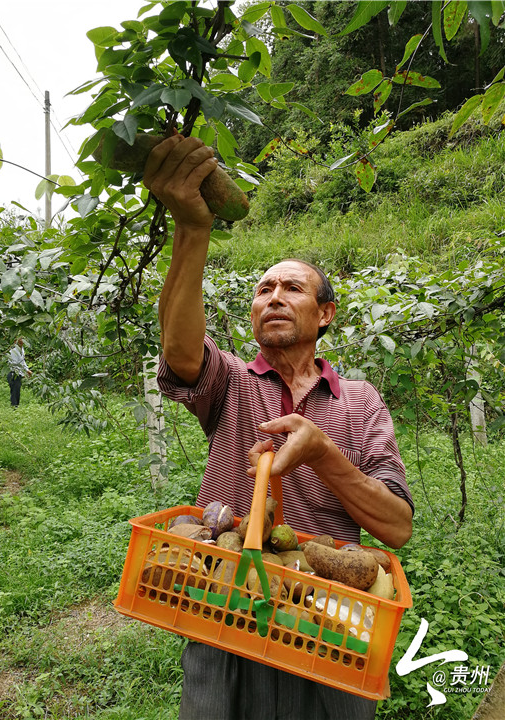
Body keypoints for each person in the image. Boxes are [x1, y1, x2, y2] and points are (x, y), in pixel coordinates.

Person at [144, 135, 414, 720]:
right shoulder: (234, 382)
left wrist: (323, 453)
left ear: (325, 314)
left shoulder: (361, 403)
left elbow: (396, 528)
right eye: (263, 289)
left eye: (292, 288)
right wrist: (193, 230)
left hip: (327, 628)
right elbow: (182, 351)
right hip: (224, 611)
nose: (274, 297)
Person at [6, 338, 32, 408]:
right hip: (13, 373)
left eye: (22, 340)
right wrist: (23, 372)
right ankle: (14, 407)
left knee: (17, 391)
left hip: (18, 373)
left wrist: (27, 370)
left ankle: (16, 406)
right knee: (14, 391)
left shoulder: (22, 349)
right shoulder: (13, 351)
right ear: (15, 341)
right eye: (19, 340)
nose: (21, 342)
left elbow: (22, 361)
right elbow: (15, 364)